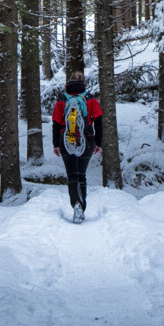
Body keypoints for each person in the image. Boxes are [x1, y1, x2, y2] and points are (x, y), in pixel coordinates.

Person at [52, 72, 103, 223]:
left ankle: (76, 204)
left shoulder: (62, 100)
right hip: (86, 138)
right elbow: (99, 121)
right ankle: (81, 207)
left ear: (68, 83)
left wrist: (56, 144)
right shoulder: (90, 99)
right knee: (82, 175)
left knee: (72, 176)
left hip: (66, 138)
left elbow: (56, 123)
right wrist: (98, 142)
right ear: (83, 83)